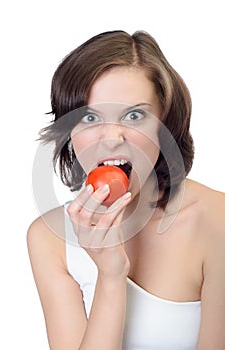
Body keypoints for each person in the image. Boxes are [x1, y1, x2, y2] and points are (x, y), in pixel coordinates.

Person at [27, 30, 225, 350]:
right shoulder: (48, 238)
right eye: (90, 117)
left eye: (134, 115)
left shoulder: (218, 222)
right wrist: (111, 277)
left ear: (165, 124)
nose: (112, 138)